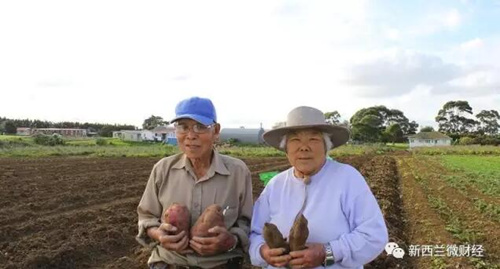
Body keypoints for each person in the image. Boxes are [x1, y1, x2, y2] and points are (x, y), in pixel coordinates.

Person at [249, 106, 388, 269]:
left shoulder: (347, 178)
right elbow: (255, 234)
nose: (304, 147)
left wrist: (327, 253)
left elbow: (373, 235)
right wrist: (263, 251)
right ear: (286, 149)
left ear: (326, 147)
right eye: (295, 140)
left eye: (313, 139)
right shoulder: (276, 184)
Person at [137, 97, 253, 269]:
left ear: (216, 131)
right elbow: (146, 218)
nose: (191, 136)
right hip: (169, 262)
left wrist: (231, 240)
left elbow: (248, 223)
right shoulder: (162, 169)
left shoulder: (238, 172)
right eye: (183, 127)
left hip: (221, 263)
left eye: (200, 127)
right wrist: (159, 234)